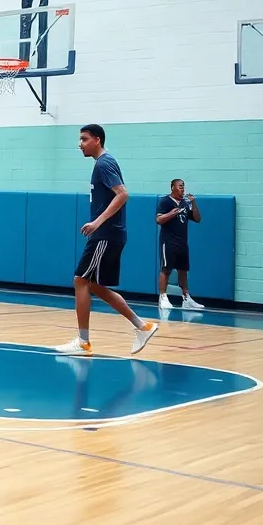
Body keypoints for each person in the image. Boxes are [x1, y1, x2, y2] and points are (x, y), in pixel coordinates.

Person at [54, 125, 160, 357]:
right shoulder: (102, 163)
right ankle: (143, 327)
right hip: (111, 234)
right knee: (95, 286)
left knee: (80, 280)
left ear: (97, 140)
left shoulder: (104, 163)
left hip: (106, 234)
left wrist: (97, 223)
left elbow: (123, 194)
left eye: (84, 139)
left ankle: (83, 342)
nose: (80, 144)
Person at [157, 178, 204, 310]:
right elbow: (158, 220)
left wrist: (193, 203)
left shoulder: (184, 202)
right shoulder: (165, 201)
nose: (182, 188)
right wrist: (171, 214)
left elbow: (197, 219)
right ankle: (163, 298)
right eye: (180, 186)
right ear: (172, 187)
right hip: (168, 241)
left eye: (183, 186)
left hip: (182, 241)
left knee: (183, 271)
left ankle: (186, 298)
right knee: (166, 269)